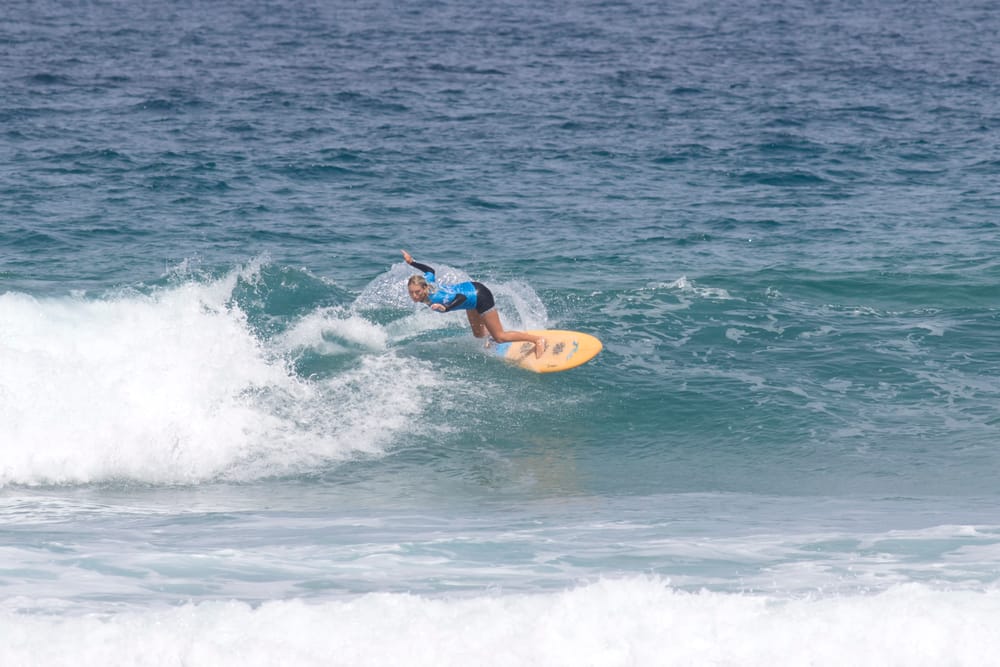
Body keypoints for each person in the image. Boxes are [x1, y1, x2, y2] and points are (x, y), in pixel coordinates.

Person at [400, 250, 547, 358]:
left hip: (479, 296)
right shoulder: (427, 281)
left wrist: (446, 308)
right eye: (411, 292)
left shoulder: (437, 297)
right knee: (478, 335)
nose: (414, 296)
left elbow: (461, 297)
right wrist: (412, 262)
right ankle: (492, 337)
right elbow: (430, 270)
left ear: (424, 288)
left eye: (417, 292)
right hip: (470, 293)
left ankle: (536, 340)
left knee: (500, 337)